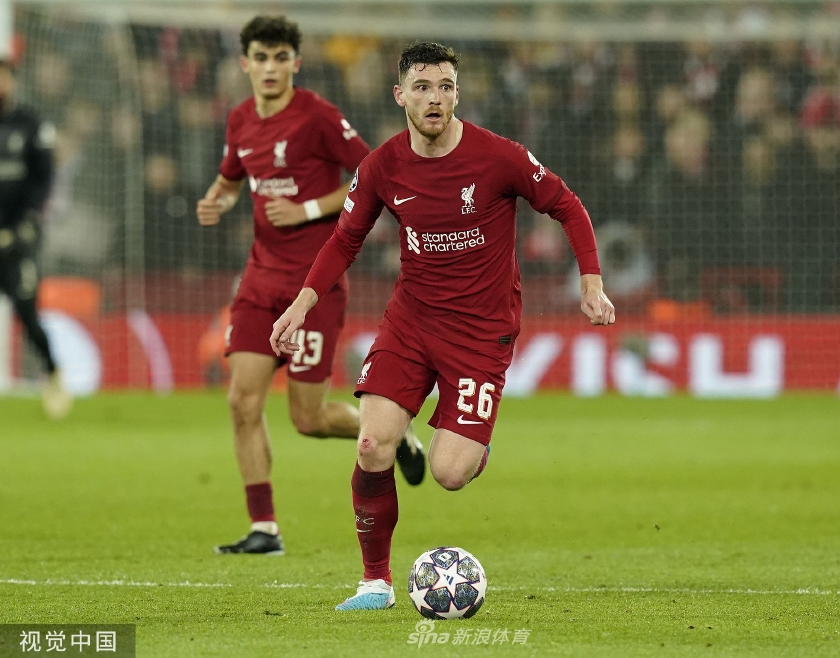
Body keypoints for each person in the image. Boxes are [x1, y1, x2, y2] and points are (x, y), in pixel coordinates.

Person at [270, 42, 616, 609]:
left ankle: (474, 444)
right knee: (372, 444)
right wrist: (302, 303)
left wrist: (591, 281)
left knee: (450, 474)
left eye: (446, 86)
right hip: (410, 323)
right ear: (400, 95)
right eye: (423, 87)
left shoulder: (498, 157)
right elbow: (344, 240)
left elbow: (567, 205)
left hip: (481, 334)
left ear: (458, 93)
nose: (435, 98)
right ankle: (375, 582)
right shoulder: (381, 166)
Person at [196, 16, 426, 557]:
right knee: (241, 400)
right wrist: (217, 200)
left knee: (308, 418)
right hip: (259, 281)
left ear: (295, 63)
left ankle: (397, 434)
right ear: (245, 63)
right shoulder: (240, 119)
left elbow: (370, 173)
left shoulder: (317, 116)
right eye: (261, 57)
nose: (270, 67)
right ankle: (264, 529)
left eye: (281, 57)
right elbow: (231, 178)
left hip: (312, 288)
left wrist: (305, 209)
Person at [0, 58, 71, 419]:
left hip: (17, 240)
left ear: (13, 81)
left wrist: (27, 223)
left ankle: (53, 374)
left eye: (4, 76)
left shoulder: (31, 125)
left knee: (27, 314)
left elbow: (44, 180)